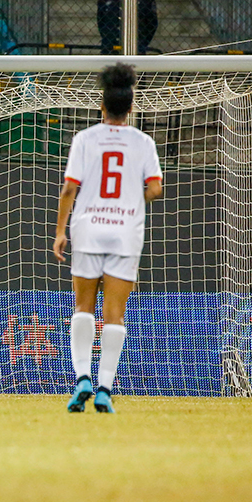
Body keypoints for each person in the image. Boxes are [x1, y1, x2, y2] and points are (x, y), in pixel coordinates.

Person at [53, 63, 163, 413]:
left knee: (82, 307)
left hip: (87, 227)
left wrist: (59, 231)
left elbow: (70, 187)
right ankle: (104, 388)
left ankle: (82, 378)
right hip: (125, 231)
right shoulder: (143, 142)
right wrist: (133, 197)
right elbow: (156, 188)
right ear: (131, 108)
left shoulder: (85, 139)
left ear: (102, 106)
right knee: (115, 312)